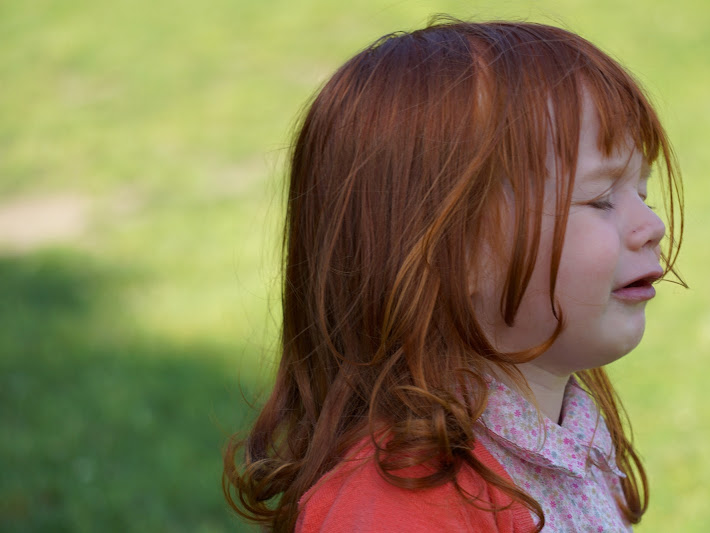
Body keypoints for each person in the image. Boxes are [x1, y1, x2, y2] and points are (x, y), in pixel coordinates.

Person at [224, 18, 684, 532]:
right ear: (449, 253)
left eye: (641, 193)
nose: (652, 225)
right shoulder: (401, 506)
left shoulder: (569, 438)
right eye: (601, 199)